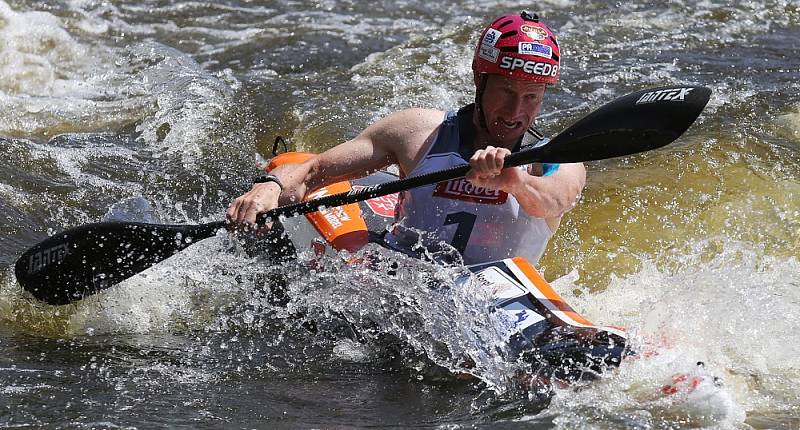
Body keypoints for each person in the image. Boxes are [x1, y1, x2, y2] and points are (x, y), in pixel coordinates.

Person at [227, 11, 585, 266]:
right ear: (480, 79)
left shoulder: (557, 158)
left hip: (495, 292)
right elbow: (312, 169)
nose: (515, 111)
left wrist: (514, 181)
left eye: (531, 97)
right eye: (506, 92)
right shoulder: (418, 132)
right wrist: (270, 186)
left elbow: (552, 202)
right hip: (403, 275)